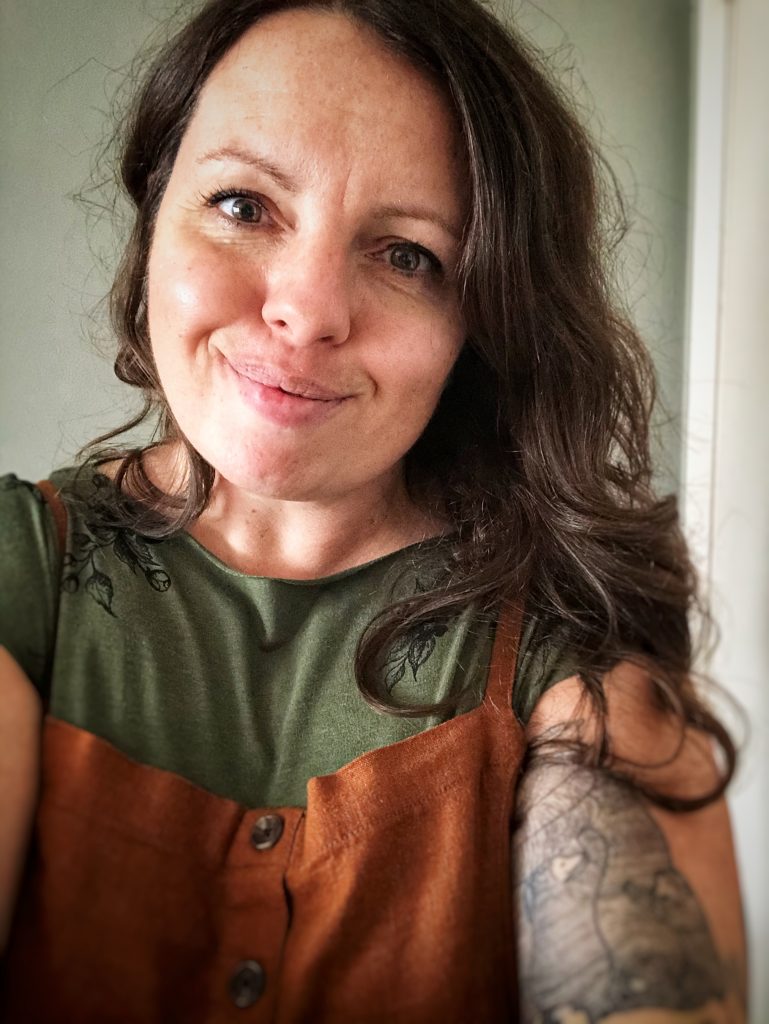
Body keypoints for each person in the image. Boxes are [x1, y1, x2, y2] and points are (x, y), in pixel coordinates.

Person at [0, 0, 747, 1021]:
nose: (307, 311)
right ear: (154, 216)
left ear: (481, 319)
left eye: (407, 255)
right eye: (242, 205)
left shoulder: (572, 657)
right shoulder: (22, 579)